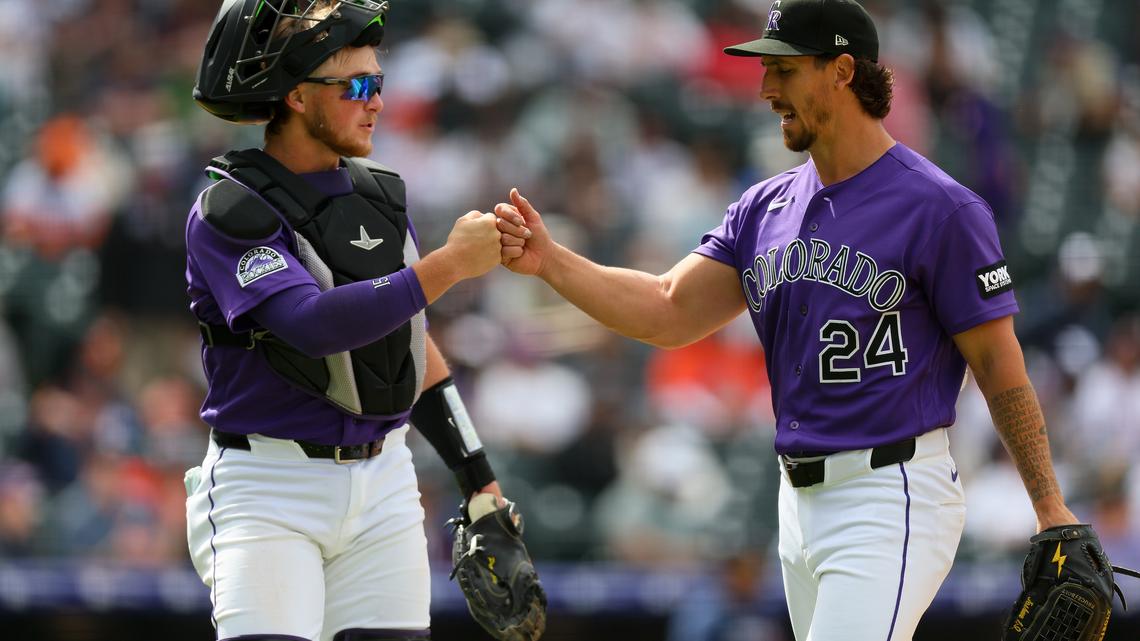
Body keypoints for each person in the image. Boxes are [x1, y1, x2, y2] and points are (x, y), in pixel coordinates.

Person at [496, 1, 1081, 639]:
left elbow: (999, 363)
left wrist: (1048, 505)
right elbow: (667, 309)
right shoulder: (763, 207)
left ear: (843, 70)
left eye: (785, 69)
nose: (767, 88)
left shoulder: (940, 208)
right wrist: (550, 262)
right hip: (797, 503)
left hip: (890, 494)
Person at [183, 2, 532, 640]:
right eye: (358, 86)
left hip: (384, 484)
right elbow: (311, 325)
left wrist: (479, 481)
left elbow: (409, 349)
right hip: (268, 485)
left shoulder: (378, 197)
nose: (376, 102)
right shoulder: (228, 208)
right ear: (295, 96)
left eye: (381, 84)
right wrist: (450, 265)